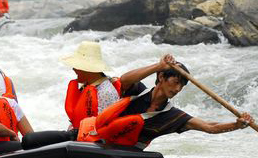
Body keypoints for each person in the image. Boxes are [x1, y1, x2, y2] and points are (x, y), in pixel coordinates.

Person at [76, 54, 255, 149]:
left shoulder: (172, 116)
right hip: (94, 140)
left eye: (182, 86)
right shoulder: (138, 92)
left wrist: (236, 124)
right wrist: (158, 66)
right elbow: (124, 80)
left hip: (124, 154)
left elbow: (209, 127)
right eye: (175, 82)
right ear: (161, 77)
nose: (177, 89)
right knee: (52, 138)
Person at [60, 41, 123, 130]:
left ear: (88, 69)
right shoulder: (88, 86)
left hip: (91, 140)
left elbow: (104, 127)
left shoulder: (105, 92)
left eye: (77, 66)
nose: (73, 69)